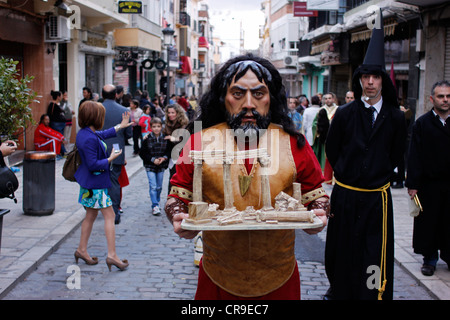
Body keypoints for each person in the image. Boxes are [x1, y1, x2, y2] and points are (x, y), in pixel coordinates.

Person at [164, 54, 329, 300]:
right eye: (238, 94)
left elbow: (316, 193)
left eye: (259, 94)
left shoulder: (294, 144)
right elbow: (178, 194)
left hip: (279, 277)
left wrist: (318, 213)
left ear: (271, 98)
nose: (249, 104)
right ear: (224, 98)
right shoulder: (200, 141)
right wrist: (178, 215)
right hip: (218, 276)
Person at [323, 14, 407, 300]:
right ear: (359, 80)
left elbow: (398, 152)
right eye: (365, 77)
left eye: (375, 77)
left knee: (374, 249)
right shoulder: (345, 115)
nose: (370, 83)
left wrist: (381, 172)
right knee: (341, 247)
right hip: (346, 194)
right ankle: (340, 290)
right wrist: (348, 171)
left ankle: (371, 293)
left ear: (383, 80)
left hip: (376, 199)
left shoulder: (396, 117)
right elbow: (333, 150)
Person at [74, 101, 130, 271]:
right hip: (96, 185)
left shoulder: (86, 133)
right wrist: (111, 158)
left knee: (90, 217)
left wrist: (119, 127)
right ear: (95, 117)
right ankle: (112, 255)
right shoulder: (89, 137)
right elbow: (93, 164)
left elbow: (102, 134)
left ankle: (81, 250)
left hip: (91, 185)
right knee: (110, 216)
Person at [406, 80, 450, 276]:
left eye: (448, 96)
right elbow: (414, 154)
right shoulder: (422, 124)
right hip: (428, 184)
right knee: (429, 222)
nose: (445, 100)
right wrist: (412, 183)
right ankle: (430, 259)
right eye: (441, 96)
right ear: (432, 99)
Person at [101, 84, 132, 225]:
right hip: (116, 149)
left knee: (97, 181)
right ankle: (114, 212)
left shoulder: (96, 109)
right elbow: (129, 134)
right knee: (114, 182)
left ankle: (96, 209)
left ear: (102, 95)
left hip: (98, 149)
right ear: (116, 95)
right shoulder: (124, 111)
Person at [139, 117, 170, 215]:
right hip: (150, 166)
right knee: (153, 186)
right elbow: (142, 153)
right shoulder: (147, 139)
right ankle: (155, 205)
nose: (156, 128)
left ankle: (157, 201)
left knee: (159, 187)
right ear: (151, 128)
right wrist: (152, 159)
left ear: (161, 127)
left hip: (161, 166)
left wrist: (164, 158)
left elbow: (169, 151)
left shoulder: (165, 138)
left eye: (158, 126)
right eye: (154, 127)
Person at [311, 92, 337, 183]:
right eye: (326, 98)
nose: (328, 100)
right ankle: (324, 177)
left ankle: (335, 178)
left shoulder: (338, 110)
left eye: (329, 98)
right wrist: (318, 130)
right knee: (323, 158)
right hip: (324, 139)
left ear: (333, 99)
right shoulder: (321, 110)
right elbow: (314, 123)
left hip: (336, 140)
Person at [162, 103, 189, 193]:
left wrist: (173, 138)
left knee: (182, 179)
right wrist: (149, 136)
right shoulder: (167, 124)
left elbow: (185, 139)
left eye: (173, 112)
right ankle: (171, 199)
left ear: (178, 113)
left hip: (182, 155)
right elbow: (161, 135)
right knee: (172, 178)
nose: (170, 115)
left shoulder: (184, 124)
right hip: (171, 156)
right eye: (169, 113)